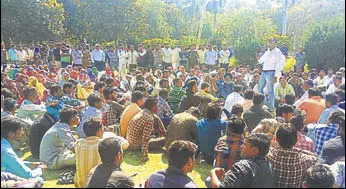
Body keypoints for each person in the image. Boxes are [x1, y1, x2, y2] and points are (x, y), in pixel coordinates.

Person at [208, 133, 273, 188]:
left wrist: (213, 173)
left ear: (254, 150)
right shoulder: (269, 166)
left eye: (245, 145)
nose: (241, 146)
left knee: (208, 181)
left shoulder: (243, 166)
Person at [1, 117, 46, 182]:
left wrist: (29, 164)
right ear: (11, 134)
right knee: (39, 180)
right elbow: (28, 175)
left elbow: (10, 163)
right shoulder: (7, 152)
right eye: (20, 130)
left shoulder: (4, 146)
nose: (22, 133)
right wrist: (40, 169)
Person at [126, 96, 166, 162]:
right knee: (164, 140)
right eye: (157, 106)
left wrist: (159, 121)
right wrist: (145, 155)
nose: (158, 108)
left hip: (131, 142)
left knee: (156, 122)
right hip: (136, 145)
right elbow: (145, 139)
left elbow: (155, 117)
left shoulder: (143, 112)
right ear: (154, 107)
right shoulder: (149, 119)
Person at [74, 118, 104, 188]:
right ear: (99, 131)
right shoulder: (103, 144)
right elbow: (125, 144)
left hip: (80, 184)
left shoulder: (78, 143)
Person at [258, 38, 285, 111]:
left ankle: (271, 107)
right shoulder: (267, 51)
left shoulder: (278, 52)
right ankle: (264, 104)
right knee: (259, 89)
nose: (270, 44)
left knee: (270, 91)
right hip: (264, 71)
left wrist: (276, 75)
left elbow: (279, 64)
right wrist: (258, 58)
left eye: (272, 43)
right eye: (270, 42)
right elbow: (261, 61)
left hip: (271, 72)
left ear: (275, 44)